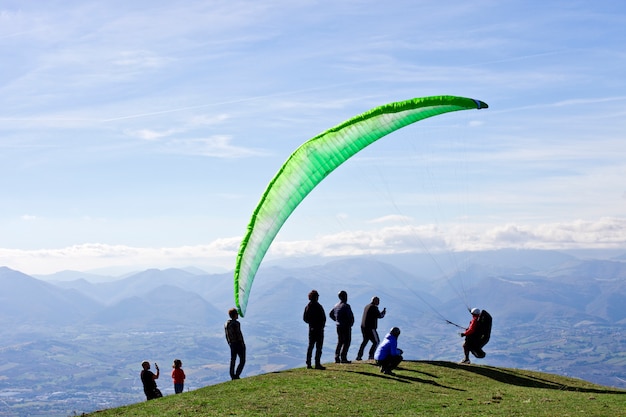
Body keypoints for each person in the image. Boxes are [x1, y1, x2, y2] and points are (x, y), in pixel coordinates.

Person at [356, 296, 386, 361]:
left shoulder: (367, 306)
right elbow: (379, 316)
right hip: (370, 328)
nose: (379, 302)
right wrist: (383, 313)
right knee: (376, 341)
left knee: (365, 341)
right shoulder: (374, 307)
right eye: (378, 301)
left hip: (363, 327)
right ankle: (371, 356)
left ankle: (359, 356)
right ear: (374, 301)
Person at [303, 289, 327, 370]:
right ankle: (317, 363)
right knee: (319, 347)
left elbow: (305, 318)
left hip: (311, 329)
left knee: (311, 346)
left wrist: (311, 323)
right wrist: (321, 325)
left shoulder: (308, 307)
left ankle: (308, 363)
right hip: (319, 329)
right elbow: (323, 318)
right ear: (316, 297)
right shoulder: (318, 306)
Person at [329, 290, 354, 363]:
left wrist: (336, 320)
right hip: (346, 326)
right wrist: (350, 323)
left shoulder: (336, 305)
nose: (346, 297)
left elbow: (330, 314)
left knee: (340, 341)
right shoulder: (346, 306)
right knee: (347, 341)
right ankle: (343, 358)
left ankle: (337, 357)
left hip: (338, 326)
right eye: (345, 296)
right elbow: (350, 316)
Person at [225, 308, 246, 380]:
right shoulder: (236, 323)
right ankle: (237, 375)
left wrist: (230, 343)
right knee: (242, 360)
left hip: (232, 344)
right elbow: (239, 334)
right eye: (237, 313)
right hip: (239, 344)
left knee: (233, 360)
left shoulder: (227, 324)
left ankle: (232, 375)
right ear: (235, 315)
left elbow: (227, 336)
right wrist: (242, 344)